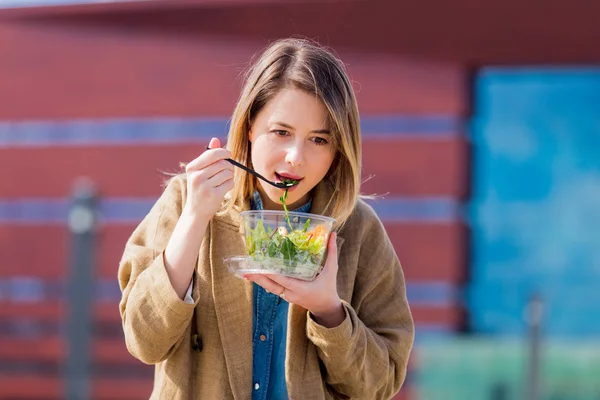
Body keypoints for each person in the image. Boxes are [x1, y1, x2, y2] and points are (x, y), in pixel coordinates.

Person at [118, 37, 414, 400]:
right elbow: (143, 340)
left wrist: (328, 310)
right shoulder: (187, 200)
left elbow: (381, 383)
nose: (295, 157)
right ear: (249, 129)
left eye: (319, 140)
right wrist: (195, 218)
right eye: (281, 132)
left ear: (339, 150)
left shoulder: (358, 229)